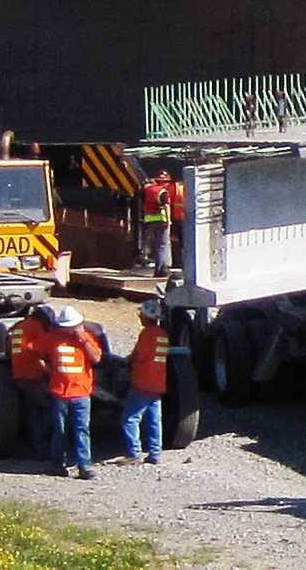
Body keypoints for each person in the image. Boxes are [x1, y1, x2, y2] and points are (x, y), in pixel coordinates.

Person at [41, 305, 103, 479]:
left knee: (82, 429)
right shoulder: (52, 338)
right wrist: (48, 371)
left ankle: (85, 466)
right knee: (59, 429)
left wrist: (82, 340)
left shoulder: (86, 339)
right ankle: (57, 464)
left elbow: (97, 358)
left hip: (81, 392)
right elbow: (36, 352)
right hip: (60, 392)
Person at [120, 301, 170, 466]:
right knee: (154, 419)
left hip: (143, 383)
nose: (140, 317)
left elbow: (139, 356)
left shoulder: (147, 334)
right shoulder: (163, 334)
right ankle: (155, 453)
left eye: (141, 314)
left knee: (130, 418)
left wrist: (127, 361)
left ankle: (133, 453)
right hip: (157, 383)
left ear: (146, 317)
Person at [7, 304, 53, 461]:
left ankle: (36, 445)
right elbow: (45, 351)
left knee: (33, 411)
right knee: (48, 408)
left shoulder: (17, 327)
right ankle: (43, 448)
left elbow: (8, 351)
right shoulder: (37, 327)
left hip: (18, 375)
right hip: (33, 376)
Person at [139, 172, 173, 278]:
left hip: (149, 220)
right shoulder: (162, 192)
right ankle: (161, 270)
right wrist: (168, 220)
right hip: (162, 221)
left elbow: (143, 204)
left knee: (154, 244)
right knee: (162, 245)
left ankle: (152, 263)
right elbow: (166, 206)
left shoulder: (146, 191)